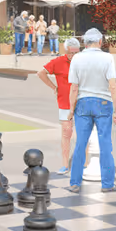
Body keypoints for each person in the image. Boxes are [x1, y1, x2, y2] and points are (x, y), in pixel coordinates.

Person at [67, 28, 116, 194]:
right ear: (100, 42)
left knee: (80, 144)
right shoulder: (107, 58)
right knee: (105, 144)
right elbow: (112, 86)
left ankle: (75, 183)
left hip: (82, 103)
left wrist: (70, 110)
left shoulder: (76, 58)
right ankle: (107, 184)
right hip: (104, 103)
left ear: (84, 42)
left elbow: (74, 88)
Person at [37, 38, 80, 175]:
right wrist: (53, 87)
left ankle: (84, 165)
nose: (73, 55)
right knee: (67, 133)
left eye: (75, 53)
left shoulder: (83, 62)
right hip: (64, 103)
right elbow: (41, 73)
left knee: (82, 135)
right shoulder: (58, 62)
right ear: (65, 50)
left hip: (82, 103)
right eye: (70, 53)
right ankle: (65, 165)